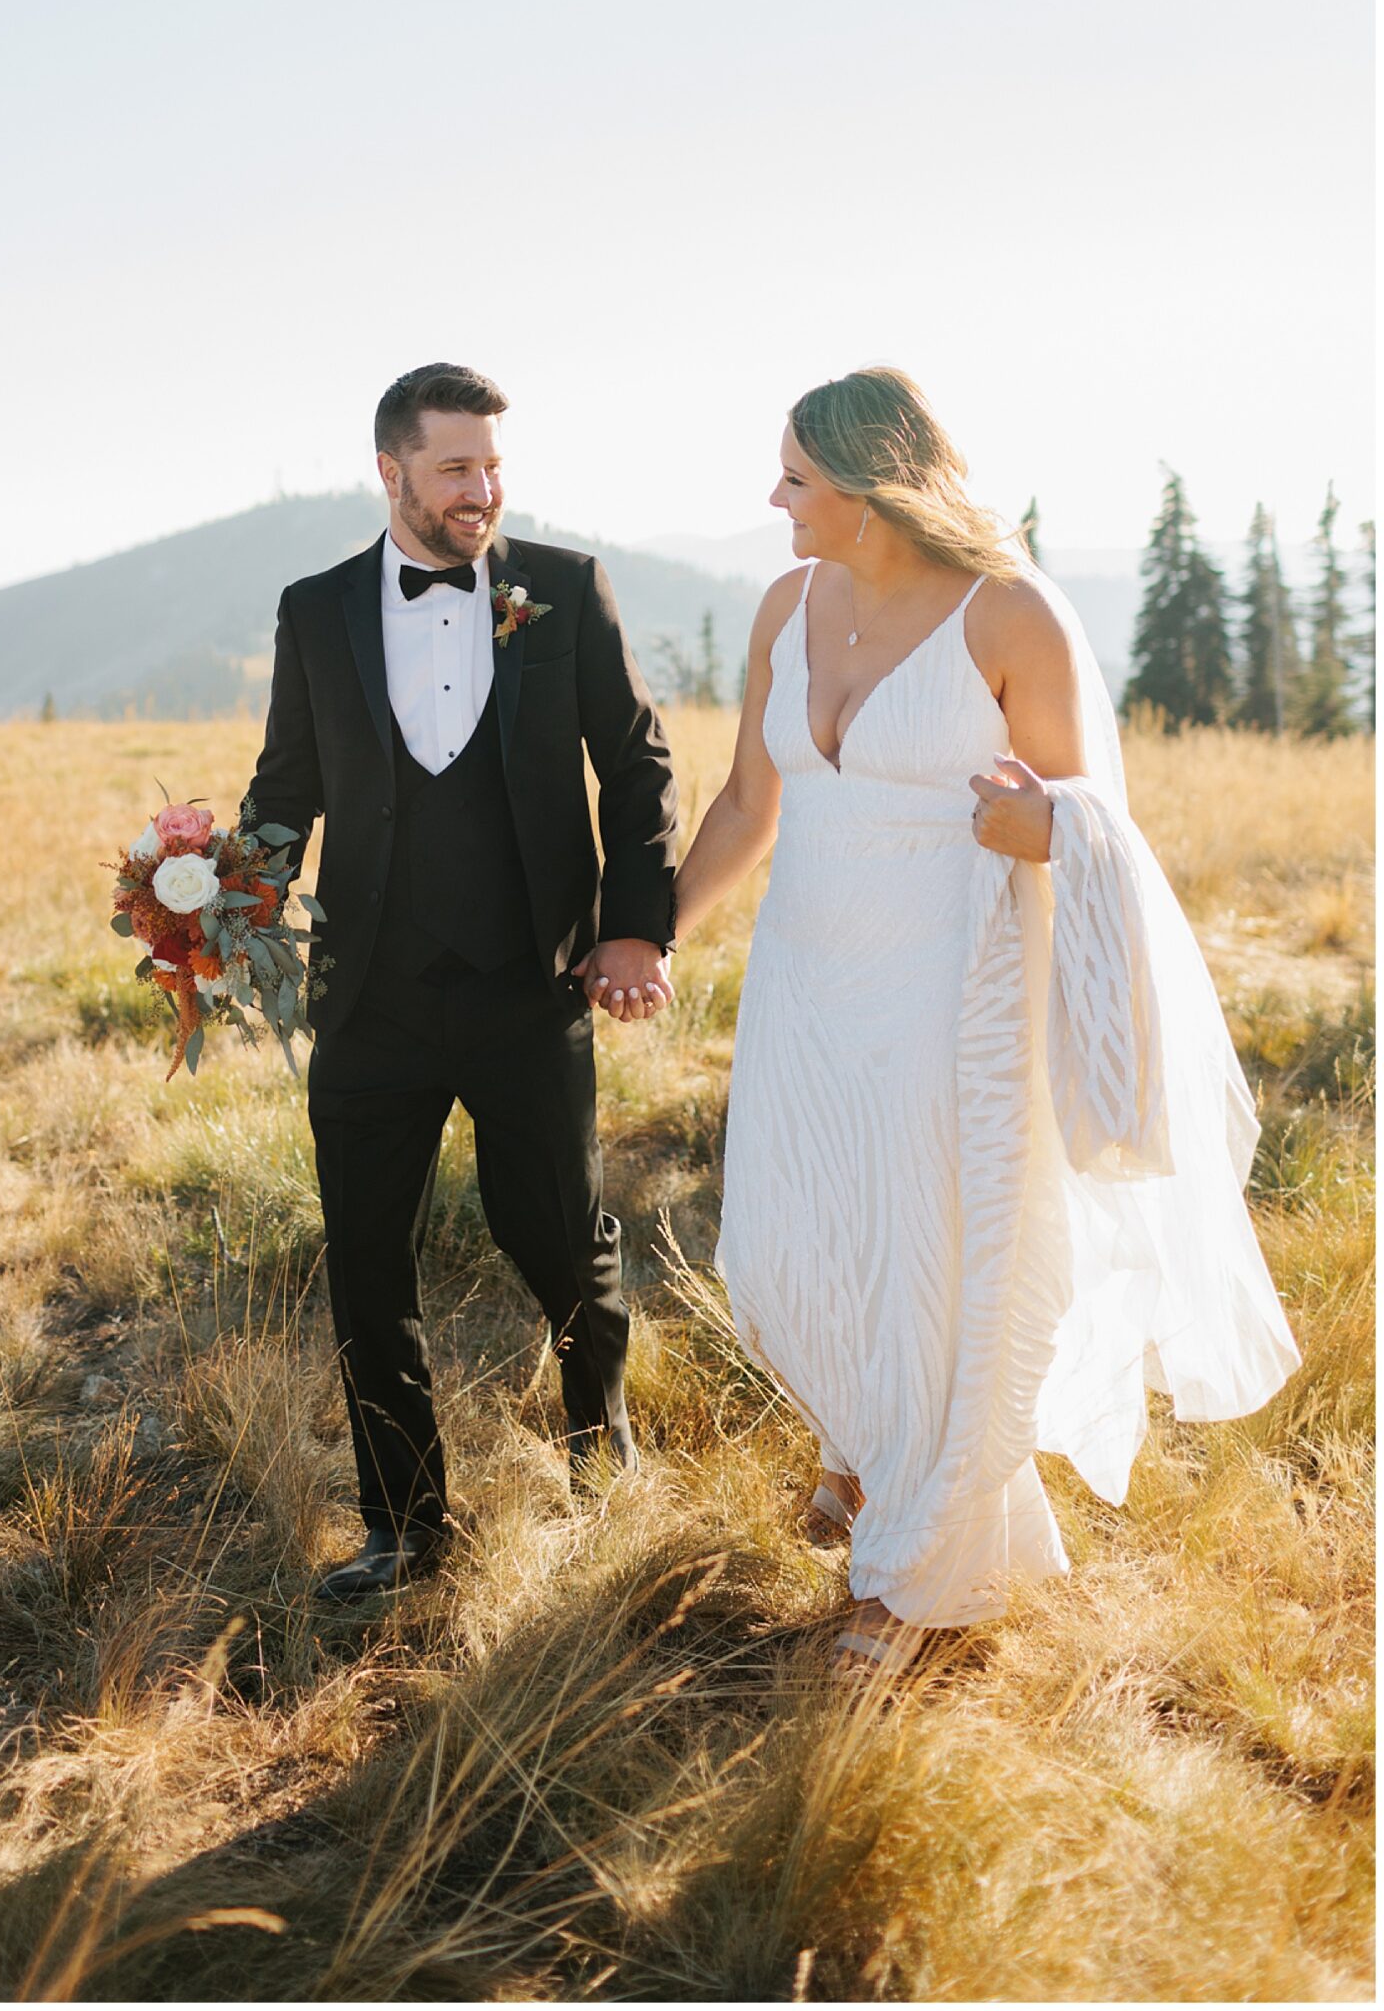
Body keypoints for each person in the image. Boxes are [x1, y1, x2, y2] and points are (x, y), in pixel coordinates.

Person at [673, 367, 1300, 1678]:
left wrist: (1047, 823)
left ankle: (912, 1568)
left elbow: (1087, 812)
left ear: (872, 491)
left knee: (932, 1269)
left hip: (953, 981)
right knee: (786, 1252)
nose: (772, 498)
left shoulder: (1008, 614)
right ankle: (866, 1443)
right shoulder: (788, 604)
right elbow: (745, 802)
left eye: (795, 476)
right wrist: (649, 934)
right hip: (806, 975)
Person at [243, 363, 678, 1602]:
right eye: (453, 469)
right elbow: (287, 788)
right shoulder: (315, 609)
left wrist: (634, 929)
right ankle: (402, 1526)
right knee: (366, 1265)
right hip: (368, 996)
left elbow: (636, 768)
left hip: (526, 986)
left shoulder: (565, 589)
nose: (480, 490)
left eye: (491, 466)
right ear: (390, 473)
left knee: (552, 1232)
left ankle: (598, 1438)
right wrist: (221, 907)